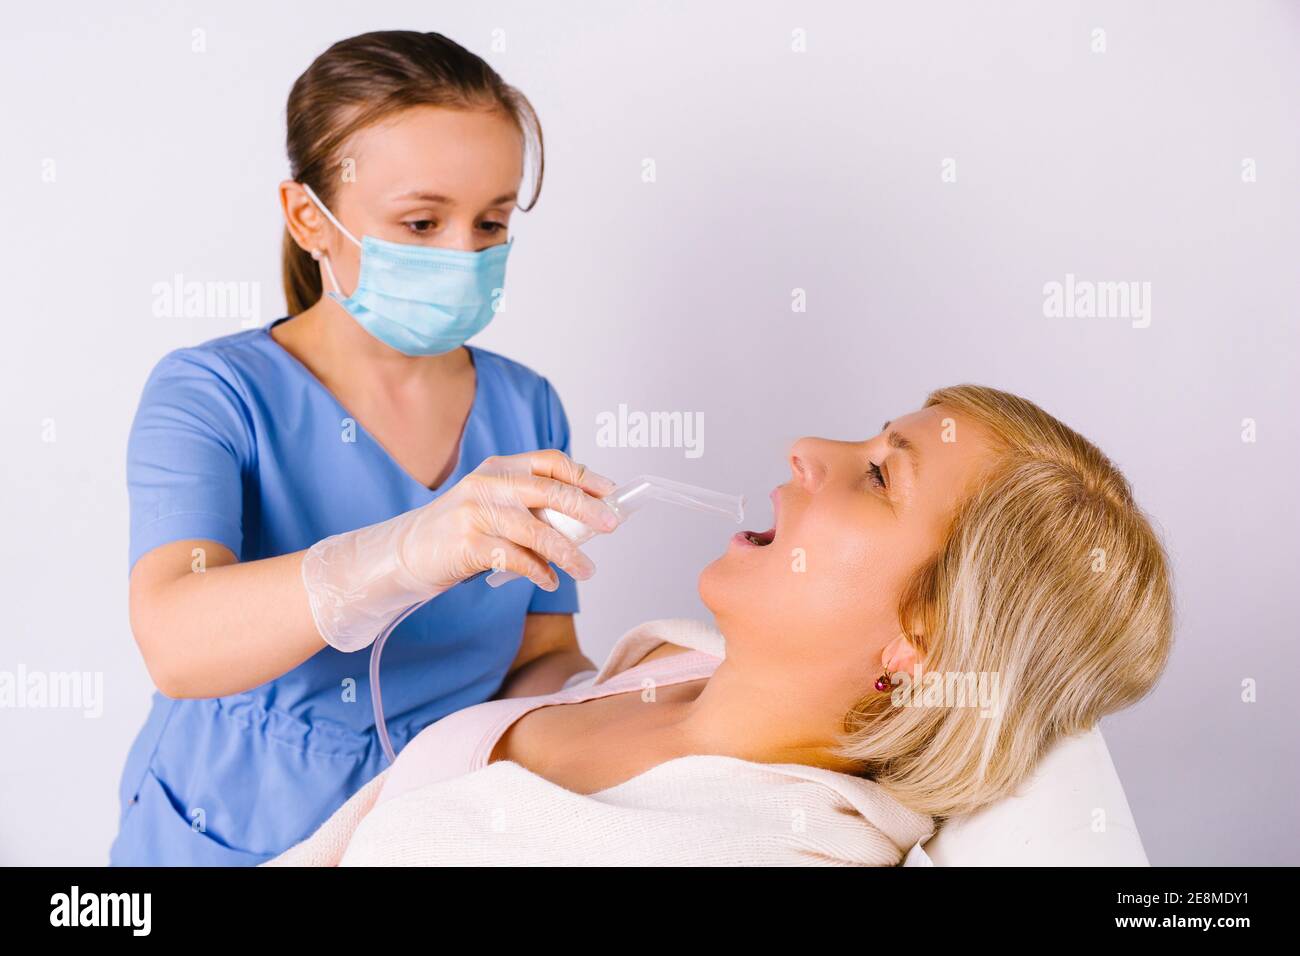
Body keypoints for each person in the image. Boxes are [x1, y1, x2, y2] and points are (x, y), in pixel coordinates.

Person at [271, 385, 1175, 866]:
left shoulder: (771, 849)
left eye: (877, 478)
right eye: (870, 439)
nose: (809, 450)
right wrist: (407, 557)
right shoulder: (681, 657)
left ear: (923, 645)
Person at [110, 31, 612, 865]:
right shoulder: (213, 394)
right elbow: (176, 641)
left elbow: (540, 653)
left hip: (435, 828)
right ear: (312, 218)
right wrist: (407, 550)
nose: (466, 254)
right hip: (231, 830)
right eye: (422, 221)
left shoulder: (527, 406)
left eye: (491, 221)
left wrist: (603, 700)